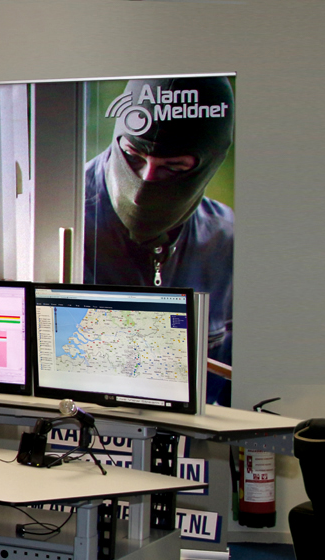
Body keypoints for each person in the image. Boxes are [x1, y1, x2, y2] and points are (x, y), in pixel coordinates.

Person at [81, 75, 235, 405]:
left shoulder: (226, 242)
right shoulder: (53, 220)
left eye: (173, 168)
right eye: (133, 157)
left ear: (210, 165)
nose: (144, 183)